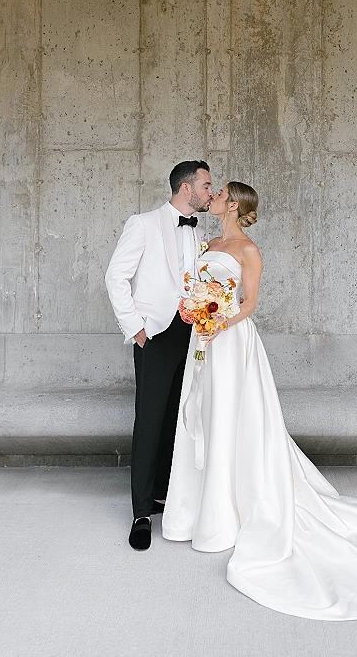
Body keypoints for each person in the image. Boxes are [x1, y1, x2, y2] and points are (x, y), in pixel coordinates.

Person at [162, 181, 357, 620]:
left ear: (233, 204)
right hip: (204, 338)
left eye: (219, 193)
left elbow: (250, 304)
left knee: (235, 419)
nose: (210, 196)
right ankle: (200, 510)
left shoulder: (249, 250)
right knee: (205, 414)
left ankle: (231, 514)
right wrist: (196, 310)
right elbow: (196, 284)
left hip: (230, 341)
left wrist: (219, 320)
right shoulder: (208, 242)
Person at [105, 161, 214, 551]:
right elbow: (115, 275)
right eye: (206, 184)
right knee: (150, 420)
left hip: (191, 333)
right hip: (155, 334)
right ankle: (140, 514)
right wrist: (136, 329)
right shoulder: (144, 223)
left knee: (179, 417)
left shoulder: (200, 231)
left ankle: (165, 496)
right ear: (186, 188)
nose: (210, 192)